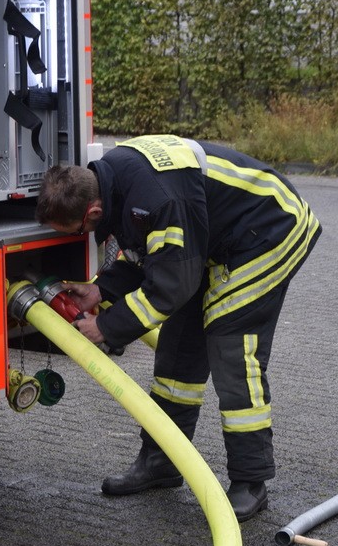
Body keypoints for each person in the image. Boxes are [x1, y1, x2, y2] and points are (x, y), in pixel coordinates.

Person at [35, 135, 321, 521]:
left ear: (92, 213)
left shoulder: (156, 197)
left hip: (269, 229)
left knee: (230, 346)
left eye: (73, 231)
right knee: (179, 348)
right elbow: (151, 256)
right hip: (210, 242)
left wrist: (105, 326)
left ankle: (250, 482)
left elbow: (169, 285)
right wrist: (101, 289)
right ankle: (162, 462)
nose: (76, 239)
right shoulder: (114, 182)